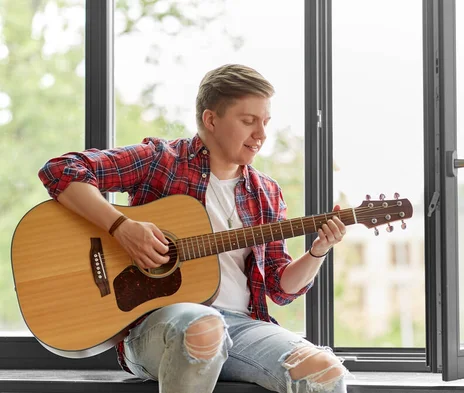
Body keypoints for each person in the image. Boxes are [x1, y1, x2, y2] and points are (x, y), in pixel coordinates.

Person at [38, 64, 349, 393]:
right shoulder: (162, 160)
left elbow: (280, 287)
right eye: (248, 121)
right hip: (158, 328)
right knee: (204, 326)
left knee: (324, 372)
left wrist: (319, 250)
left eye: (265, 122)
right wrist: (122, 228)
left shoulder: (266, 192)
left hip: (241, 328)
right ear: (211, 120)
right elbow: (61, 170)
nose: (261, 135)